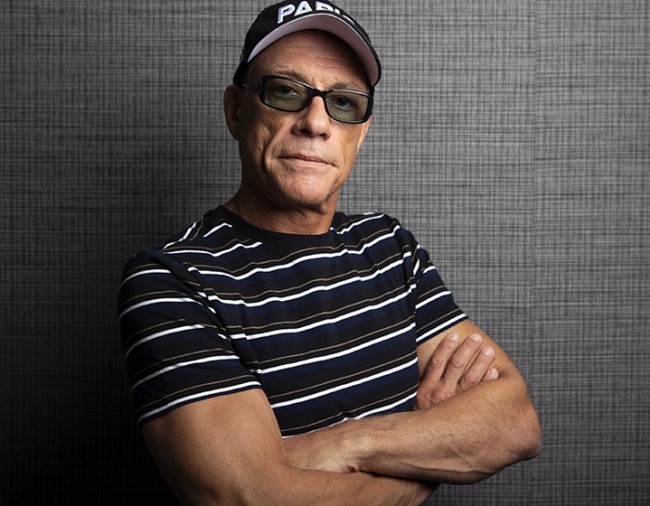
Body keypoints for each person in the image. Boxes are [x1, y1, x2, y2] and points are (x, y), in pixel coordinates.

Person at [118, 1, 542, 504]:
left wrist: (347, 444)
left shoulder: (390, 247)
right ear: (236, 109)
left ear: (361, 132)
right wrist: (431, 452)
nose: (315, 122)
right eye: (285, 91)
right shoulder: (172, 281)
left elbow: (515, 423)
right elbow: (253, 498)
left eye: (343, 102)